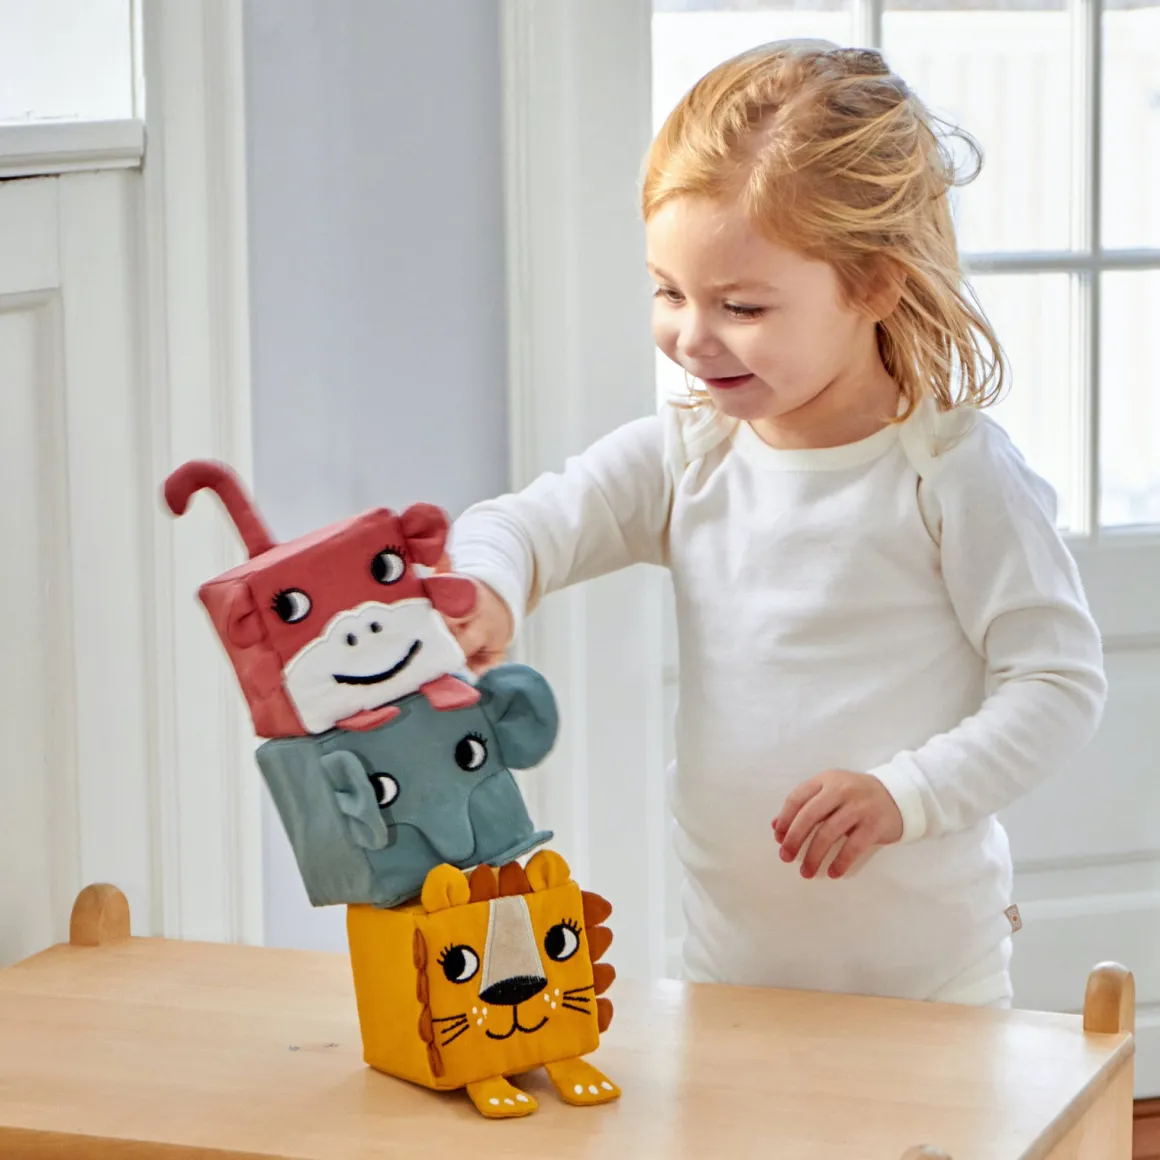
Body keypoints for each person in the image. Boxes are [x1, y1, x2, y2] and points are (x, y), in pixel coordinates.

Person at [444, 40, 1106, 1007]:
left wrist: (908, 795)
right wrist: (491, 588)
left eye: (742, 307)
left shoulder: (951, 473)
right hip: (732, 978)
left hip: (935, 990)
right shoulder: (690, 458)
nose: (691, 338)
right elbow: (524, 525)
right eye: (668, 292)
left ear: (873, 284)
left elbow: (1058, 683)